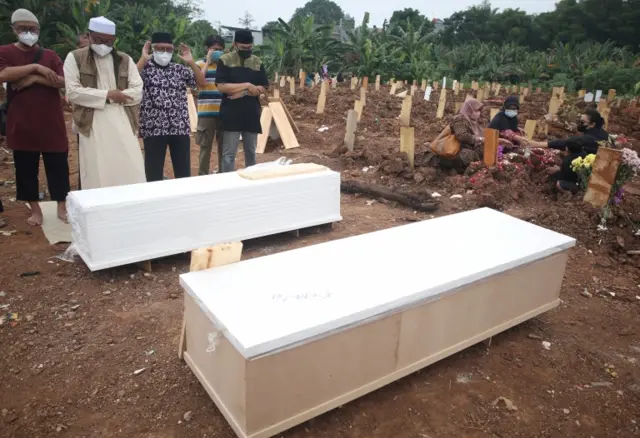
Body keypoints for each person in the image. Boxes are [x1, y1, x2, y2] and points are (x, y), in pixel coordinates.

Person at [0, 9, 69, 226]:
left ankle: (61, 206)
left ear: (38, 29)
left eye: (32, 29)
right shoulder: (5, 52)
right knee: (26, 168)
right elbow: (2, 74)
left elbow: (63, 81)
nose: (28, 33)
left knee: (58, 165)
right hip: (22, 123)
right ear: (14, 29)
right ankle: (36, 210)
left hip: (52, 122)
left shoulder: (51, 55)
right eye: (23, 29)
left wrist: (33, 80)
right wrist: (35, 68)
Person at [64, 16, 146, 191]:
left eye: (109, 42)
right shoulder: (75, 58)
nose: (104, 45)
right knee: (97, 170)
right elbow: (73, 91)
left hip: (122, 118)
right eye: (99, 40)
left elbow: (137, 91)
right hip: (92, 121)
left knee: (131, 166)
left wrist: (118, 97)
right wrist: (108, 95)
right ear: (90, 36)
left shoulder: (124, 59)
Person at [137, 32, 206, 182]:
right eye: (160, 48)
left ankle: (183, 202)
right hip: (153, 127)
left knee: (183, 172)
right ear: (153, 49)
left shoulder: (179, 69)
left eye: (168, 49)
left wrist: (192, 62)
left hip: (179, 126)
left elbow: (201, 83)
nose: (164, 52)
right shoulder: (145, 69)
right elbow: (130, 80)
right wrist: (143, 58)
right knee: (153, 172)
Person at [215, 29, 269, 173]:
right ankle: (229, 185)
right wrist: (247, 86)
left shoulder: (257, 62)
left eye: (249, 47)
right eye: (244, 47)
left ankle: (251, 186)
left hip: (251, 113)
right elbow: (221, 86)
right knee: (228, 155)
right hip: (231, 113)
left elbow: (263, 87)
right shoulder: (225, 60)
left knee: (251, 153)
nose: (247, 50)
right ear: (235, 44)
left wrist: (243, 92)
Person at [195, 34, 225, 175]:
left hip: (224, 112)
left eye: (220, 49)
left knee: (224, 148)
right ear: (207, 49)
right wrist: (207, 62)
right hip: (206, 113)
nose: (217, 51)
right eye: (214, 49)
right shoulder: (199, 64)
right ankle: (202, 176)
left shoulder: (226, 66)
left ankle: (223, 175)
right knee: (205, 147)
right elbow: (198, 82)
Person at [430, 98, 485, 173]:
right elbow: (461, 135)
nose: (478, 113)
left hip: (465, 148)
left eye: (479, 111)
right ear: (469, 110)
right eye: (476, 110)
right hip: (456, 150)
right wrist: (479, 139)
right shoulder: (460, 119)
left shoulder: (473, 121)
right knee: (470, 155)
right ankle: (456, 170)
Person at [529, 109, 608, 152]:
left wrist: (537, 144)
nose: (580, 124)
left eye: (583, 122)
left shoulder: (589, 138)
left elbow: (566, 143)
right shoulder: (603, 133)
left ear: (592, 124)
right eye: (580, 121)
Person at [71, 32, 90, 190]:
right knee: (86, 159)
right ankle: (83, 191)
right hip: (84, 120)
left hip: (108, 120)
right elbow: (73, 92)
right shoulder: (74, 62)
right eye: (83, 47)